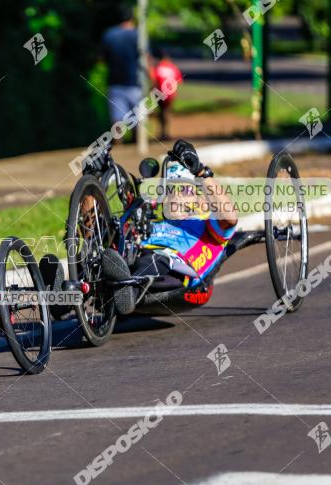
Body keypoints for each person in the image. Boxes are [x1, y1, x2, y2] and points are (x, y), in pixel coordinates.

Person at [101, 140, 238, 314]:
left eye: (185, 190)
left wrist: (201, 172)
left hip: (175, 270)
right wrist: (92, 177)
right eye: (171, 190)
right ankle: (66, 294)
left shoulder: (209, 225)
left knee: (155, 259)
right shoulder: (151, 222)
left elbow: (230, 218)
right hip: (132, 259)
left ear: (202, 201)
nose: (176, 197)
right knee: (110, 239)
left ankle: (128, 290)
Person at [101, 6, 141, 140]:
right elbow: (145, 58)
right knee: (138, 120)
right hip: (135, 83)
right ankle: (137, 144)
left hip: (115, 83)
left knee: (117, 122)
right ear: (132, 18)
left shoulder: (109, 35)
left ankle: (119, 150)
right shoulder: (138, 35)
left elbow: (103, 59)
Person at [150, 47, 183, 140]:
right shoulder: (172, 67)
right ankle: (165, 132)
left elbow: (154, 79)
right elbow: (178, 80)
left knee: (162, 112)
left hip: (160, 92)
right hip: (170, 94)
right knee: (166, 112)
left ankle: (162, 132)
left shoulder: (158, 67)